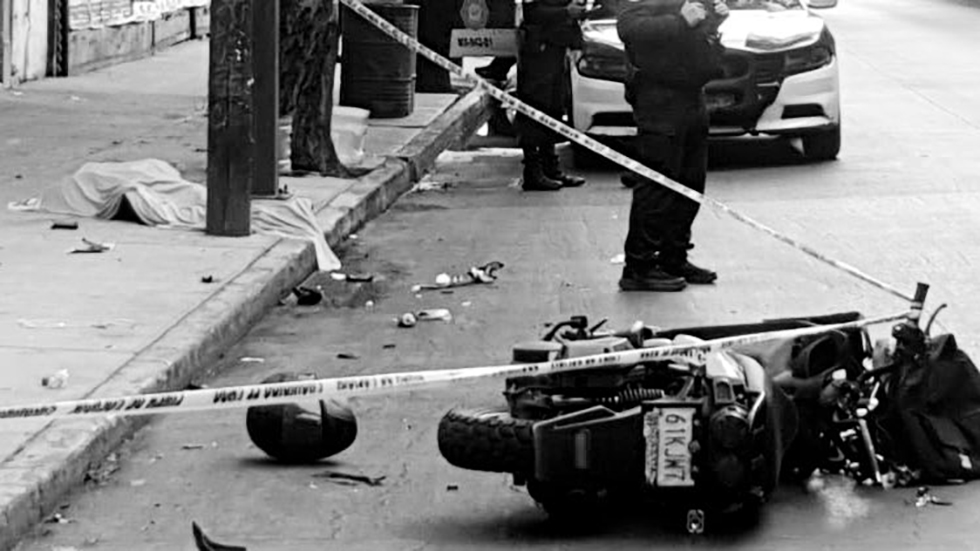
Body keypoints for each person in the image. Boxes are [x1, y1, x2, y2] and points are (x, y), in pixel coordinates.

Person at [616, 0, 728, 290]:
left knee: (690, 183)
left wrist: (712, 24)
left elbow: (696, 42)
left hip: (692, 95)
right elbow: (629, 28)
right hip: (660, 99)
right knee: (658, 183)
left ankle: (673, 258)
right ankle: (639, 266)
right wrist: (680, 21)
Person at [513, 0, 589, 191]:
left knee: (553, 109)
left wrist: (576, 41)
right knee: (533, 109)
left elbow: (572, 11)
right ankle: (532, 171)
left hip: (558, 47)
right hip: (538, 49)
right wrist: (566, 12)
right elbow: (531, 13)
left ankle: (551, 167)